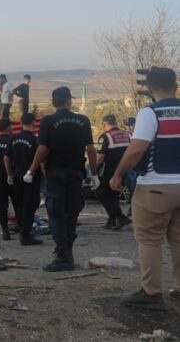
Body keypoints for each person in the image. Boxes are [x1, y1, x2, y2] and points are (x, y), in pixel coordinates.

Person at [110, 67, 180, 310]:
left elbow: (138, 148)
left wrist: (118, 174)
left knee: (150, 240)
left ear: (149, 88)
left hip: (155, 186)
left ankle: (152, 293)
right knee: (179, 240)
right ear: (176, 85)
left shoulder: (150, 113)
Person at [24, 86, 98, 272]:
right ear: (68, 101)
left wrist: (31, 170)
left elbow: (42, 149)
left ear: (53, 102)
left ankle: (63, 258)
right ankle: (68, 254)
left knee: (56, 212)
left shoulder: (48, 121)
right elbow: (90, 149)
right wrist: (94, 173)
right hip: (76, 173)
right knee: (72, 212)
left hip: (56, 173)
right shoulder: (83, 120)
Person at [5, 113, 43, 246]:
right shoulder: (35, 140)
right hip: (30, 177)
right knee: (30, 205)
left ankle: (23, 230)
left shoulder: (13, 138)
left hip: (16, 176)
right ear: (34, 123)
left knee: (20, 204)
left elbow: (7, 158)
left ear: (21, 123)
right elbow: (40, 160)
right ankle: (25, 236)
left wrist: (10, 174)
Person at [96, 114, 132, 231]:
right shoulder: (127, 135)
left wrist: (92, 169)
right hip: (124, 170)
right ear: (116, 122)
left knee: (102, 194)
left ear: (104, 124)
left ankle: (121, 217)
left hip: (108, 171)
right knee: (114, 195)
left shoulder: (105, 137)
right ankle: (112, 220)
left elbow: (100, 156)